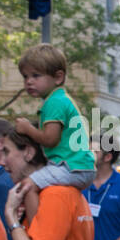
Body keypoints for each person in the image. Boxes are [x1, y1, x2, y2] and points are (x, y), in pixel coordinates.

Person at [12, 44, 94, 203]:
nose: (29, 81)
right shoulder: (59, 99)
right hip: (76, 166)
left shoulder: (54, 102)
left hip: (70, 167)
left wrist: (28, 129)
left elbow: (50, 139)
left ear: (58, 77)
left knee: (27, 185)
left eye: (36, 76)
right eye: (25, 76)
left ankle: (38, 225)